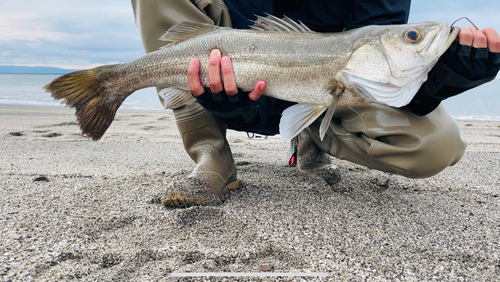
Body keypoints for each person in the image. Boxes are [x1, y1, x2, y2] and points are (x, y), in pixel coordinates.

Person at [131, 0, 500, 208]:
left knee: (437, 145)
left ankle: (311, 136)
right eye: (414, 36)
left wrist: (438, 79)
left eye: (413, 36)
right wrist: (229, 104)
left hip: (335, 87)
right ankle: (210, 151)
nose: (418, 36)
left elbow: (378, 66)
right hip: (231, 56)